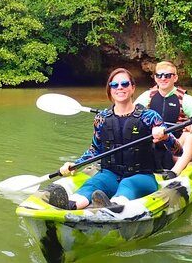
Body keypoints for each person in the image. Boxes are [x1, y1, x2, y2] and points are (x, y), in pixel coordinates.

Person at [46, 67, 180, 210]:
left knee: (127, 185)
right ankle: (69, 205)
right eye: (114, 85)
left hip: (141, 177)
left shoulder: (150, 117)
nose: (120, 88)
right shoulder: (102, 118)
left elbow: (177, 149)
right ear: (110, 90)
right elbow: (95, 150)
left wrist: (165, 136)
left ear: (133, 88)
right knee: (93, 184)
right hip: (110, 174)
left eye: (125, 84)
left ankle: (112, 208)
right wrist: (74, 164)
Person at [134, 61, 192, 178]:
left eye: (168, 75)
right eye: (159, 75)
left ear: (175, 78)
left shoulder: (186, 100)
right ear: (155, 78)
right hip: (153, 142)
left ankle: (174, 172)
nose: (163, 78)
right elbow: (130, 116)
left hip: (176, 147)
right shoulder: (147, 97)